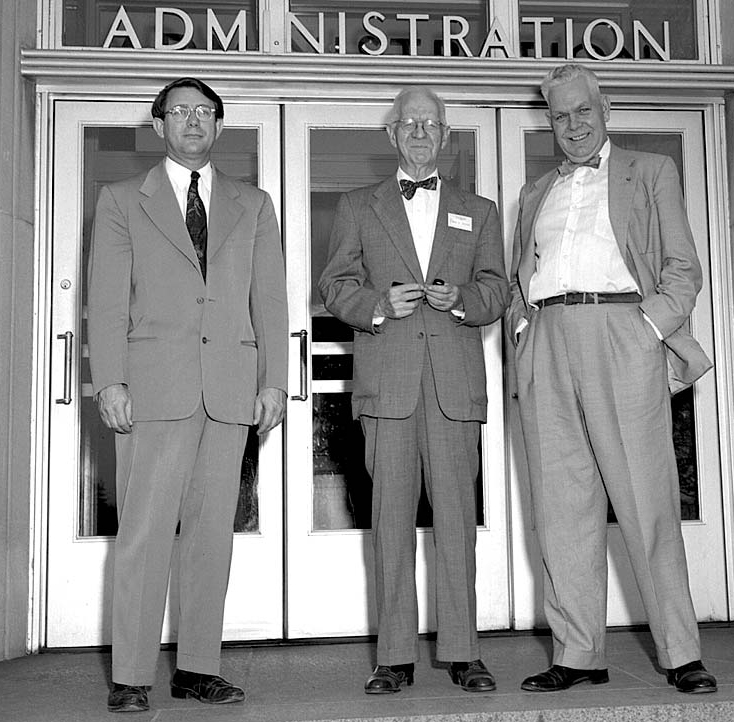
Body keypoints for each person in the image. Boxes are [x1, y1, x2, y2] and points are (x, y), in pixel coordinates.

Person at [506, 63, 718, 695]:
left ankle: (681, 652)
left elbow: (682, 266)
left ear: (605, 113)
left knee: (646, 503)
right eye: (560, 115)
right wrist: (523, 331)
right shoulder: (534, 192)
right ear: (548, 121)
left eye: (583, 112)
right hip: (548, 339)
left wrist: (647, 328)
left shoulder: (649, 172)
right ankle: (578, 654)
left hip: (622, 332)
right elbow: (521, 276)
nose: (572, 126)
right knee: (562, 509)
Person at [88, 77, 288, 713]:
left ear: (220, 126)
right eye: (181, 113)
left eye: (206, 113)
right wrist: (110, 379)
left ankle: (199, 667)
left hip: (229, 391)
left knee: (211, 536)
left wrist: (276, 381)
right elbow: (109, 298)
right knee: (144, 534)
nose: (194, 122)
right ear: (158, 124)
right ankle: (131, 674)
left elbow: (271, 300)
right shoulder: (122, 200)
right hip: (154, 389)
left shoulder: (253, 204)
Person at [319, 87, 509, 694]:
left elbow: (498, 290)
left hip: (455, 387)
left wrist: (464, 304)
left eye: (432, 124)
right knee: (391, 520)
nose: (421, 132)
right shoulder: (356, 206)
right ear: (392, 134)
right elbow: (335, 285)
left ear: (446, 137)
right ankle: (394, 655)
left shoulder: (478, 210)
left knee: (456, 522)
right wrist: (376, 306)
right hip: (389, 386)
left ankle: (464, 651)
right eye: (410, 123)